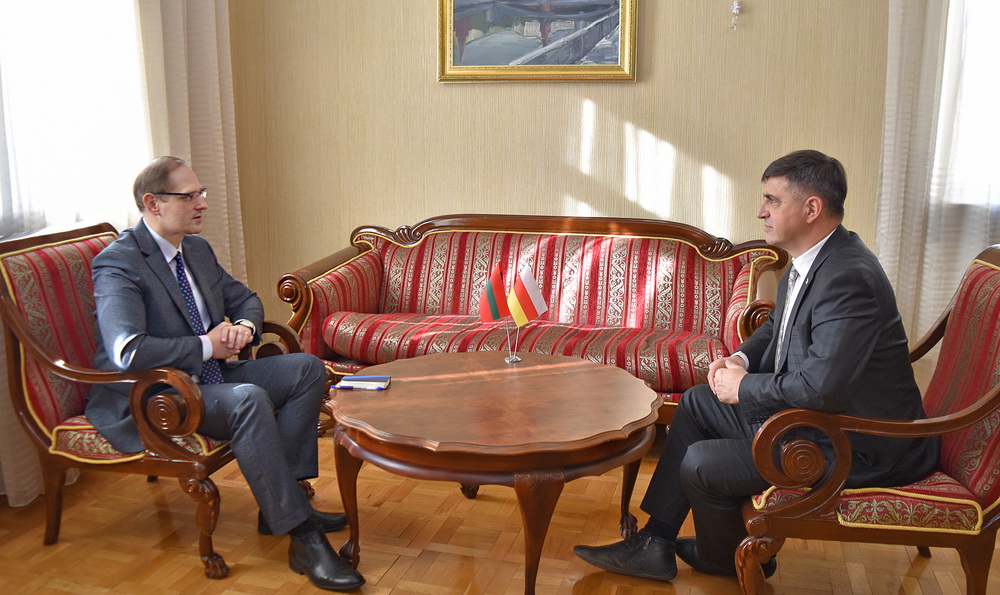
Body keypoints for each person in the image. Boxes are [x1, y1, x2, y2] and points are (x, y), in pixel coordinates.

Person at [573, 149, 939, 582]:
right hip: (819, 424)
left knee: (701, 462)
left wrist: (744, 387)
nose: (760, 211)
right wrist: (740, 357)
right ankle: (656, 541)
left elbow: (823, 389)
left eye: (772, 200)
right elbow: (777, 327)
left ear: (811, 208)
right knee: (697, 402)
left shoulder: (847, 277)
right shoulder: (815, 258)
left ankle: (728, 558)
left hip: (857, 446)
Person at [85, 156, 365, 591]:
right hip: (155, 395)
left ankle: (283, 503)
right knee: (249, 397)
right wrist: (206, 345)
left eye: (202, 193)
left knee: (307, 368)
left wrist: (245, 328)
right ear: (153, 203)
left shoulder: (195, 249)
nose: (202, 203)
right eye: (190, 196)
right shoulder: (119, 263)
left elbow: (246, 298)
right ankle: (303, 537)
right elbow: (128, 350)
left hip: (209, 377)